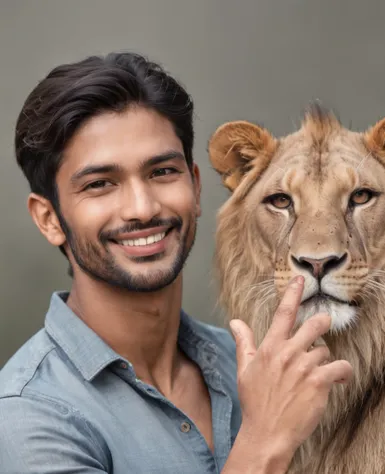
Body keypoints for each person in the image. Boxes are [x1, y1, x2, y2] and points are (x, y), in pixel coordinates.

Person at [0, 52, 353, 473]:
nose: (142, 207)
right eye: (99, 184)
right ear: (49, 219)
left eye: (162, 172)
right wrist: (264, 439)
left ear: (197, 187)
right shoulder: (29, 415)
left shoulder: (253, 365)